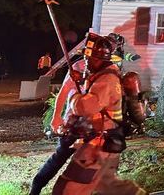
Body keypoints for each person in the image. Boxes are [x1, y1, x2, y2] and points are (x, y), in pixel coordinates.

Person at [51, 34, 145, 195]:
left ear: (100, 58)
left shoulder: (107, 80)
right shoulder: (104, 74)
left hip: (99, 146)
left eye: (90, 58)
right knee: (110, 185)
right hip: (104, 144)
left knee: (66, 189)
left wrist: (74, 95)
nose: (86, 62)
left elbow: (85, 107)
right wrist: (81, 79)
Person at [29, 58, 85, 195]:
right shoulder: (79, 66)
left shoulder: (110, 70)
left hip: (95, 128)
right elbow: (64, 91)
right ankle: (36, 188)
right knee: (59, 158)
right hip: (74, 123)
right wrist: (56, 117)